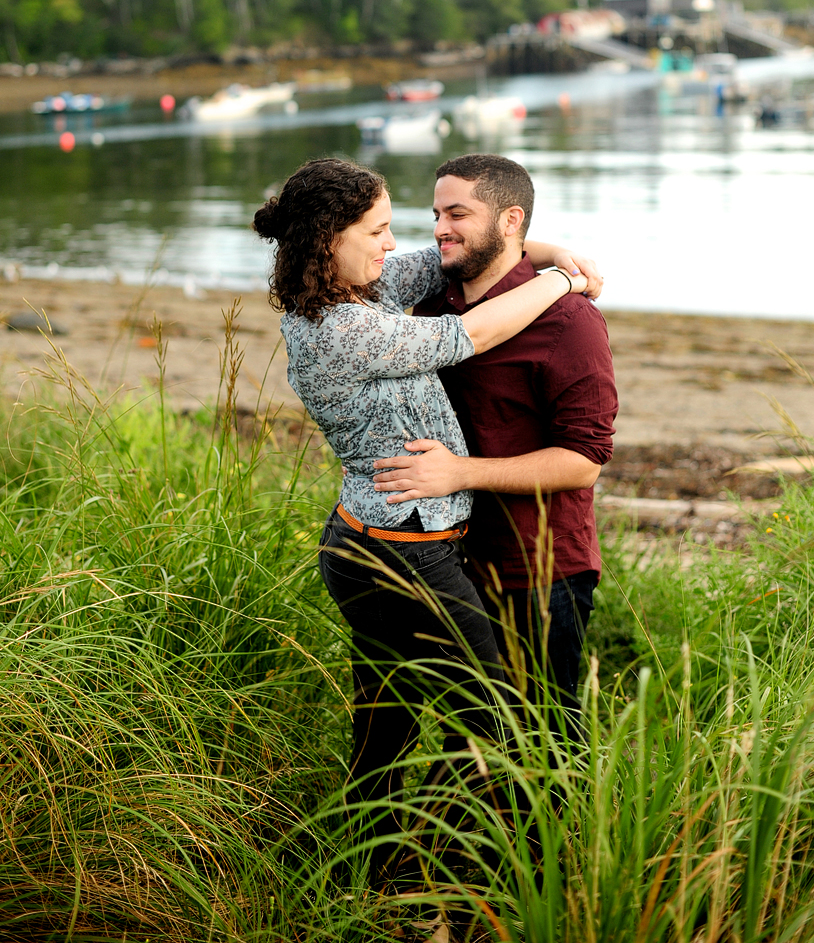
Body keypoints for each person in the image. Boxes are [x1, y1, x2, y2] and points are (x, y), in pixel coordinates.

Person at [251, 156, 592, 881]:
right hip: (403, 556)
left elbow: (443, 262)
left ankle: (354, 879)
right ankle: (456, 883)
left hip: (374, 545)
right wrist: (560, 282)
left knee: (386, 730)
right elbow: (463, 335)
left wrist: (545, 248)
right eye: (377, 230)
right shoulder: (342, 327)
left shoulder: (357, 287)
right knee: (494, 716)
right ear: (327, 240)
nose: (393, 242)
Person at [372, 153, 618, 743]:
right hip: (445, 558)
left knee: (548, 744)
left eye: (458, 213)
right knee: (471, 744)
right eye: (435, 213)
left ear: (510, 221)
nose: (439, 229)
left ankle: (564, 841)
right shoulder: (432, 306)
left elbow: (584, 461)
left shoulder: (570, 321)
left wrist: (460, 472)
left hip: (537, 567)